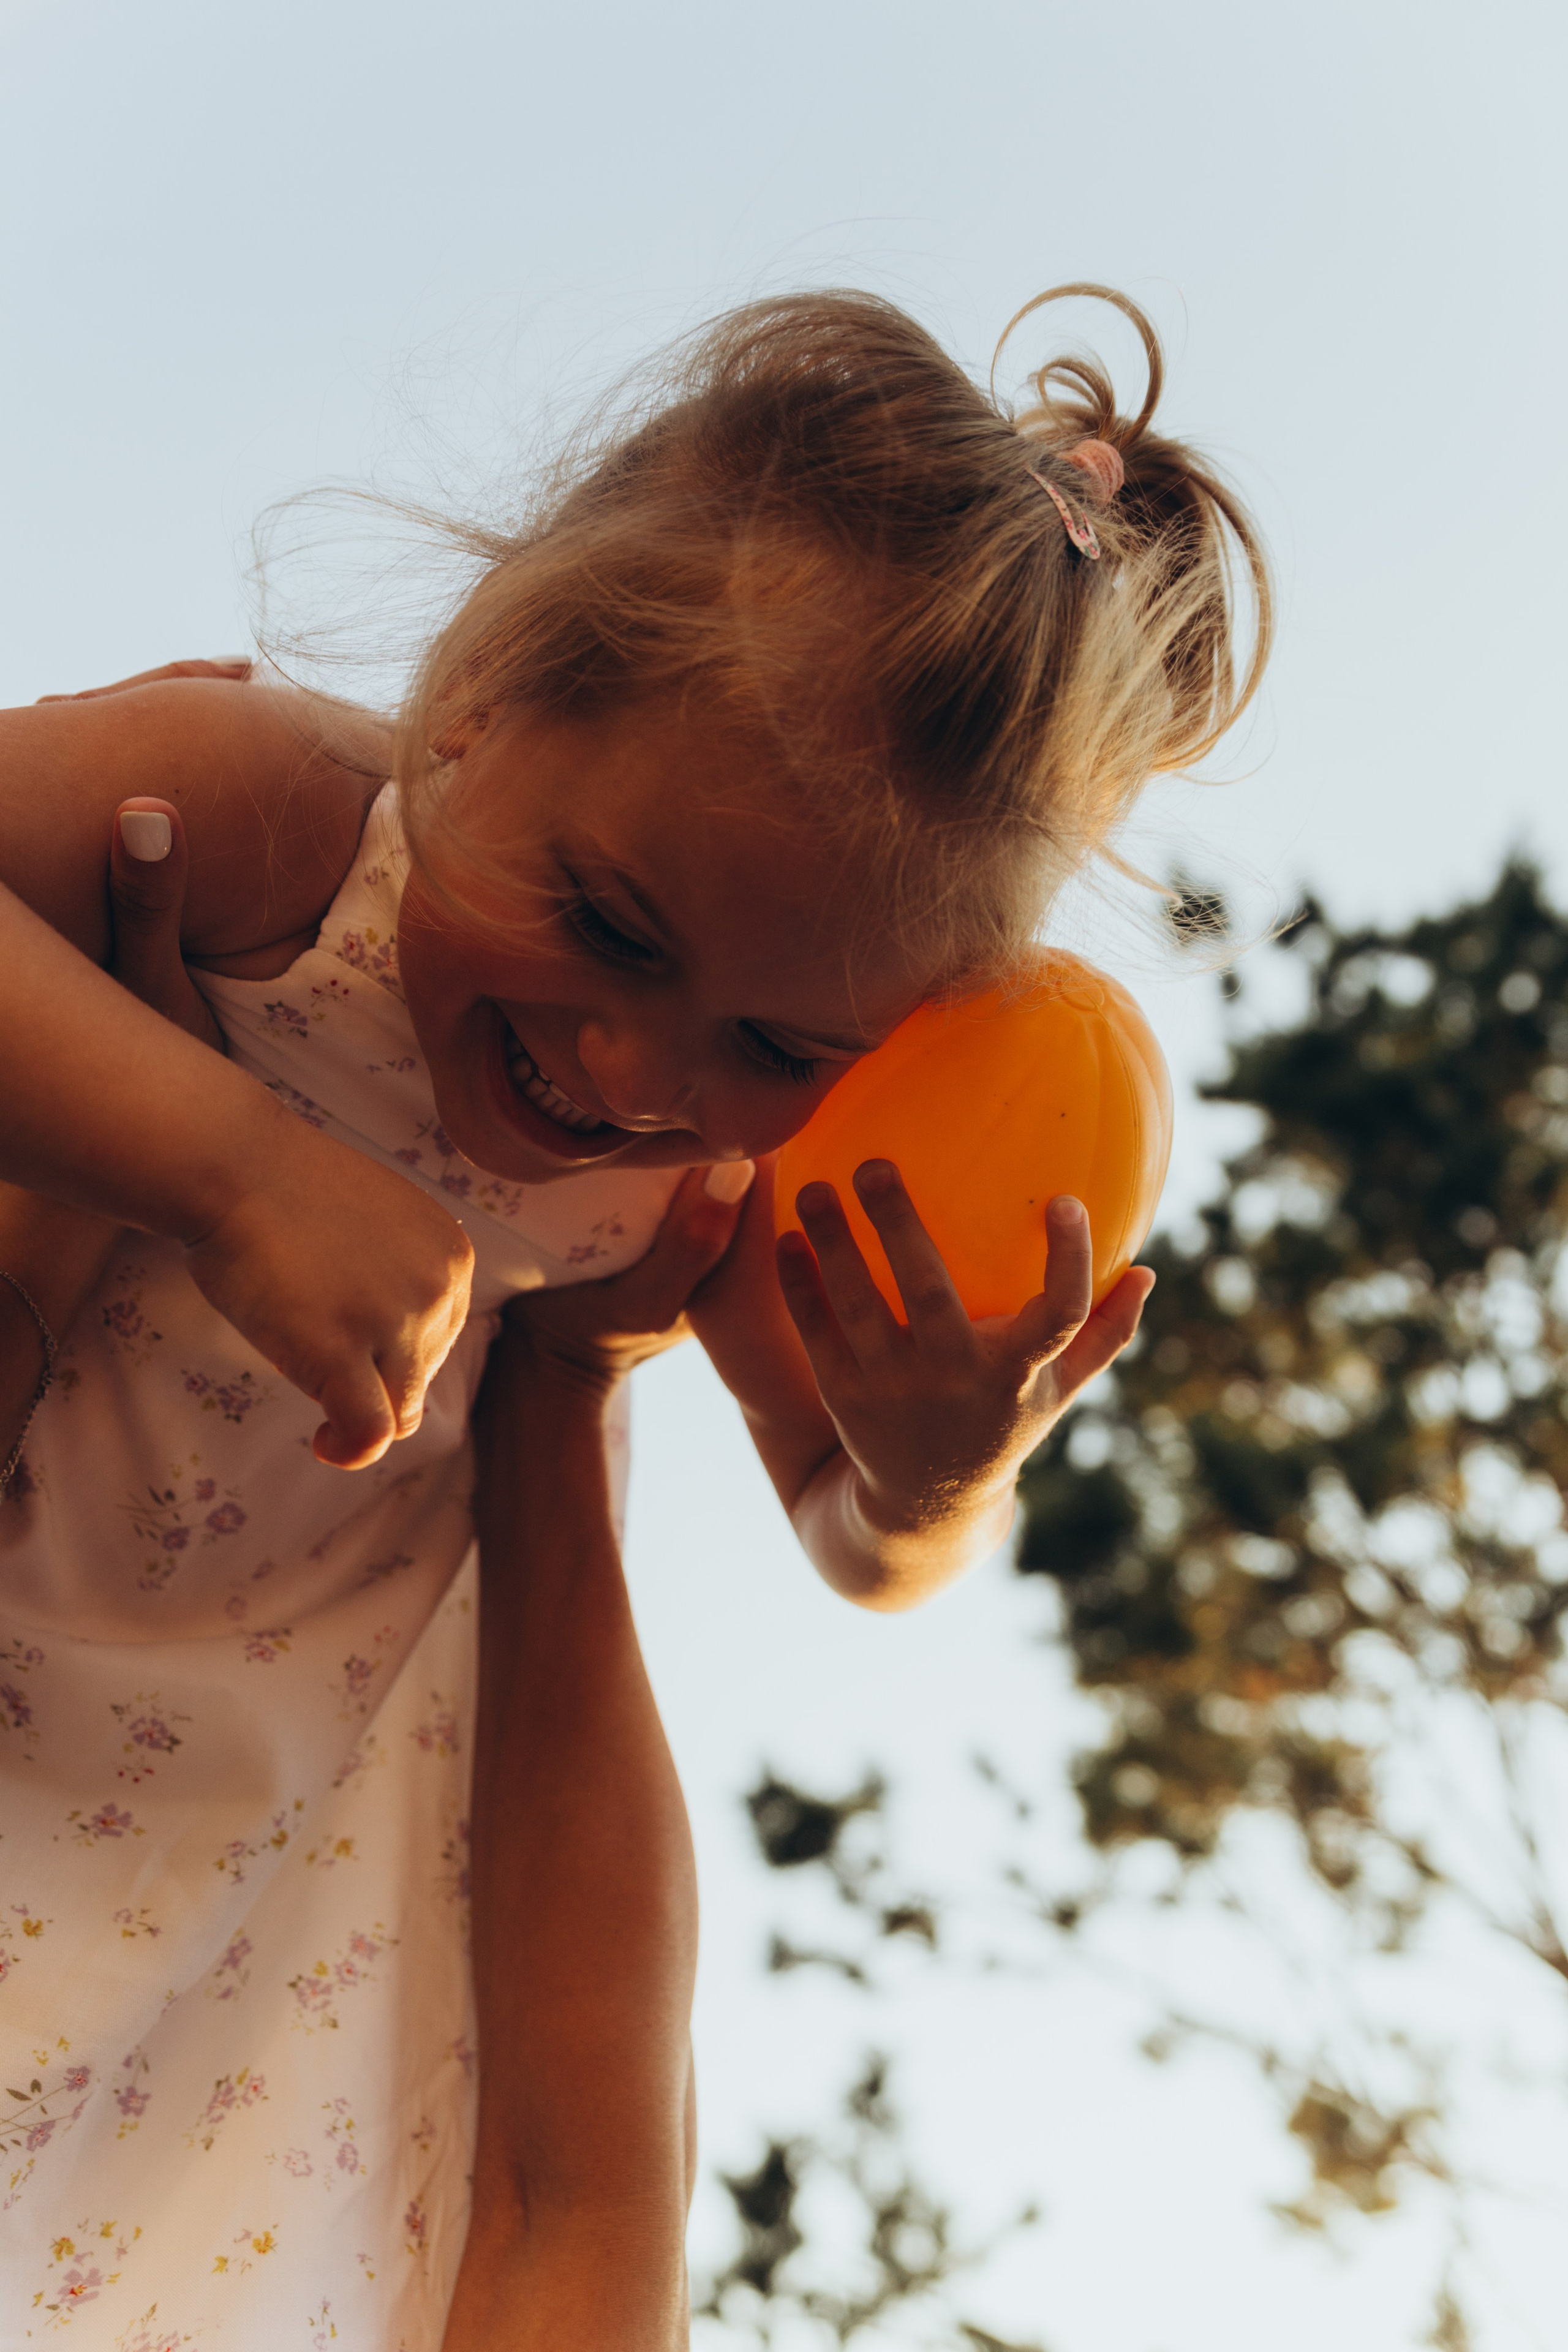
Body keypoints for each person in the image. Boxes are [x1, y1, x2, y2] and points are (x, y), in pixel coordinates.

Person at [0, 282, 1268, 2340]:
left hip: (260, 1769)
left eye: (773, 1039)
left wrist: (941, 1478)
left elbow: (851, 1540)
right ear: (487, 688)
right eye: (608, 920)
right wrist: (222, 1165)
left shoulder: (712, 1186)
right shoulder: (277, 828)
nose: (630, 1067)